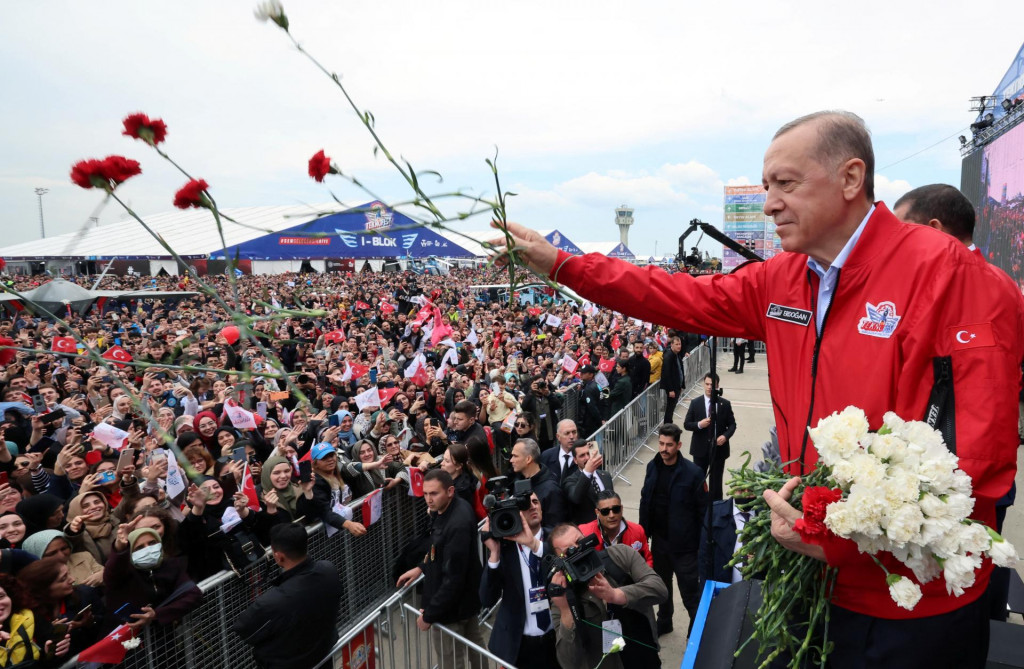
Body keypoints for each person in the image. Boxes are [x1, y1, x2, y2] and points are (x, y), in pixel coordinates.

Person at [489, 110, 1024, 667]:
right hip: (811, 579)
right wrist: (564, 266)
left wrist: (828, 530)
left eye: (785, 184)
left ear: (850, 178)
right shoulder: (783, 278)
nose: (769, 203)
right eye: (767, 186)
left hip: (910, 605)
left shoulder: (955, 276)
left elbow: (976, 467)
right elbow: (674, 295)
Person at [396, 470, 484, 669]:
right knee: (475, 645)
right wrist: (421, 567)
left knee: (452, 659)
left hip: (451, 608)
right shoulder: (449, 509)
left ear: (450, 491)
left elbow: (453, 577)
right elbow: (439, 551)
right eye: (425, 493)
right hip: (463, 600)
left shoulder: (457, 523)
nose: (428, 499)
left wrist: (430, 614)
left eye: (434, 493)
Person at [547, 523, 667, 669]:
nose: (578, 552)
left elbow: (660, 590)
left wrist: (616, 595)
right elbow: (568, 662)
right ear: (559, 561)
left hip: (643, 657)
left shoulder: (621, 554)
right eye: (568, 552)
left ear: (587, 538)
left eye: (579, 542)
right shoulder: (563, 597)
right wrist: (566, 611)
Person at [232, 523, 343, 669]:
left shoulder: (272, 602)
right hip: (323, 657)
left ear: (278, 557)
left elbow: (245, 629)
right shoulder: (328, 570)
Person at [638, 423, 707, 636]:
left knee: (690, 593)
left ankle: (695, 632)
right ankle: (665, 621)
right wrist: (643, 533)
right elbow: (645, 499)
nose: (664, 449)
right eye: (661, 443)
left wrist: (700, 546)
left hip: (685, 546)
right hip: (659, 542)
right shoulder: (652, 466)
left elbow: (703, 512)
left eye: (669, 445)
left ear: (679, 445)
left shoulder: (693, 473)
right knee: (662, 588)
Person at [479, 492, 556, 669]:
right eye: (524, 504)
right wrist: (494, 554)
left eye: (535, 501)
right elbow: (486, 599)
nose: (532, 506)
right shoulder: (505, 549)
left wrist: (535, 546)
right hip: (519, 645)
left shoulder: (555, 540)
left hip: (556, 640)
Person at [682, 372, 737, 501]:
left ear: (717, 386)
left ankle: (716, 507)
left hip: (718, 450)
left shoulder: (725, 404)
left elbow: (733, 424)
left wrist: (725, 436)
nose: (709, 387)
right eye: (706, 384)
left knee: (716, 482)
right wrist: (699, 425)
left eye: (712, 385)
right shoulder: (695, 403)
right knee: (699, 480)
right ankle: (699, 506)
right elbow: (686, 424)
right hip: (700, 449)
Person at [579, 490, 653, 567]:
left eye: (616, 509)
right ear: (597, 512)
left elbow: (647, 560)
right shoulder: (584, 533)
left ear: (621, 509)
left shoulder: (637, 531)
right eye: (605, 511)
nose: (611, 515)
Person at [509, 439, 567, 529]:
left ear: (528, 459)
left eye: (515, 456)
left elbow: (556, 528)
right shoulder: (518, 482)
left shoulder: (551, 489)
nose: (511, 460)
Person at [561, 440, 614, 525]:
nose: (587, 458)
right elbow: (576, 498)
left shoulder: (606, 476)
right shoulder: (570, 481)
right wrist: (587, 472)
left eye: (588, 453)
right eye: (582, 455)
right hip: (587, 531)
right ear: (575, 460)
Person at [538, 419, 578, 485]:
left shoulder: (584, 456)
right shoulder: (546, 456)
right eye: (567, 433)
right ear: (558, 437)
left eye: (574, 432)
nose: (571, 437)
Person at [660, 337, 685, 425]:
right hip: (672, 388)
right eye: (677, 344)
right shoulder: (668, 356)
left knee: (672, 407)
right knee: (670, 408)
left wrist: (682, 385)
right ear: (672, 345)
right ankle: (667, 424)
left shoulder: (676, 354)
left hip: (677, 385)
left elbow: (680, 370)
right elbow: (666, 374)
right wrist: (670, 389)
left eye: (680, 344)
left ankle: (669, 423)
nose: (679, 346)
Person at [577, 365, 603, 439]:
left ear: (591, 374)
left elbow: (592, 407)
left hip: (590, 423)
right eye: (581, 372)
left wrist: (600, 421)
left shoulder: (589, 388)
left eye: (584, 373)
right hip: (593, 422)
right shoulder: (595, 385)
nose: (581, 374)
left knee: (592, 446)